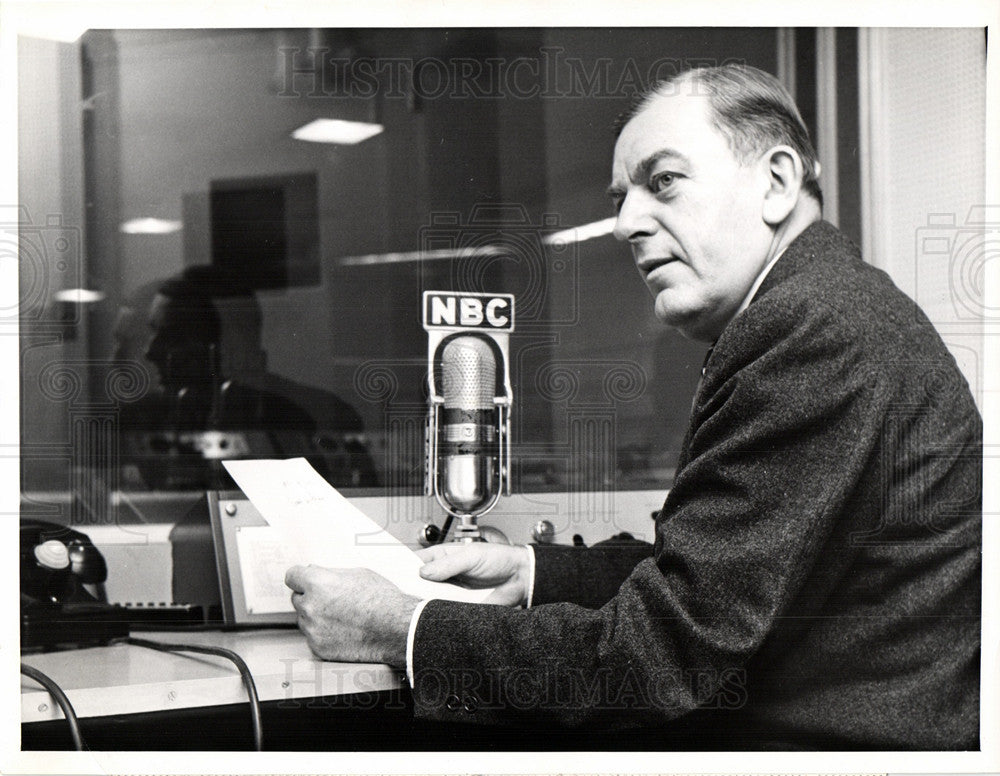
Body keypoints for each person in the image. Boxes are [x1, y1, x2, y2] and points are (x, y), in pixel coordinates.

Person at [284, 65, 982, 749]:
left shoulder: (813, 331)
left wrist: (401, 628)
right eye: (622, 196)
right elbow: (715, 581)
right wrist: (533, 573)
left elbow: (656, 663)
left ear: (776, 181)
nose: (625, 223)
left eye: (664, 181)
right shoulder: (826, 307)